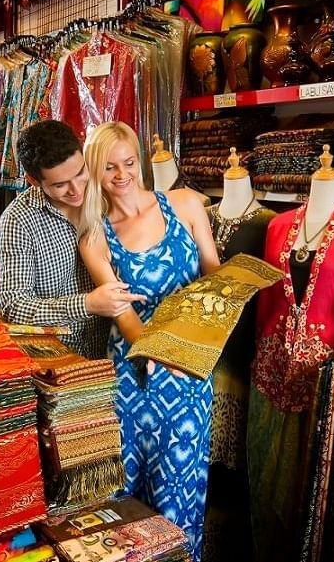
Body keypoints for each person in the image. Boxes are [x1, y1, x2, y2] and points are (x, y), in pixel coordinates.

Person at [78, 121, 220, 561]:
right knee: (122, 497)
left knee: (180, 492)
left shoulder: (184, 205)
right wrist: (163, 353)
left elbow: (215, 276)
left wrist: (204, 331)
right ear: (95, 172)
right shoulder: (94, 235)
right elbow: (124, 317)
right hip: (132, 376)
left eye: (128, 162)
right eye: (109, 167)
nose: (121, 175)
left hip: (190, 373)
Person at [0, 120, 145, 359]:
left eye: (79, 173)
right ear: (34, 181)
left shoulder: (109, 196)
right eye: (60, 185)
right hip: (54, 360)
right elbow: (14, 305)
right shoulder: (19, 219)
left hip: (118, 355)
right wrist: (87, 304)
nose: (76, 190)